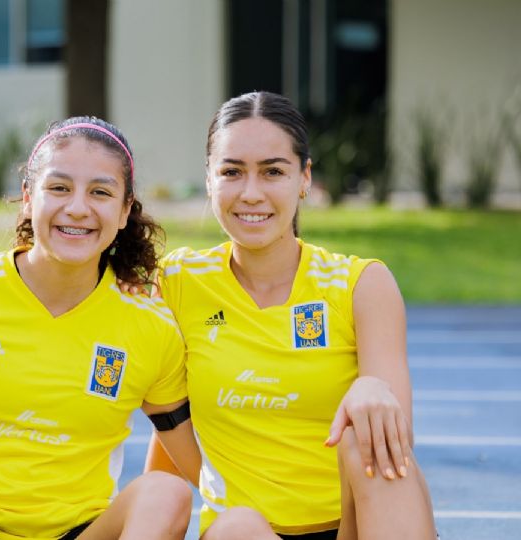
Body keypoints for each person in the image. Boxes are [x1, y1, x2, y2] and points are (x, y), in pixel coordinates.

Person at [145, 91, 436, 539]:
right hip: (243, 532)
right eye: (231, 172)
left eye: (273, 172)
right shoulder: (177, 282)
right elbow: (165, 414)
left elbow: (393, 447)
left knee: (368, 430)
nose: (251, 193)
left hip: (356, 525)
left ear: (304, 178)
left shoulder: (362, 284)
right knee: (238, 527)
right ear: (208, 180)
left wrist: (372, 386)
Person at [0, 117, 201, 540]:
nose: (77, 207)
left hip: (81, 531)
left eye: (100, 192)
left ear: (125, 210)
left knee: (166, 493)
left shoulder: (151, 324)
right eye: (59, 188)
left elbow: (196, 462)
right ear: (27, 198)